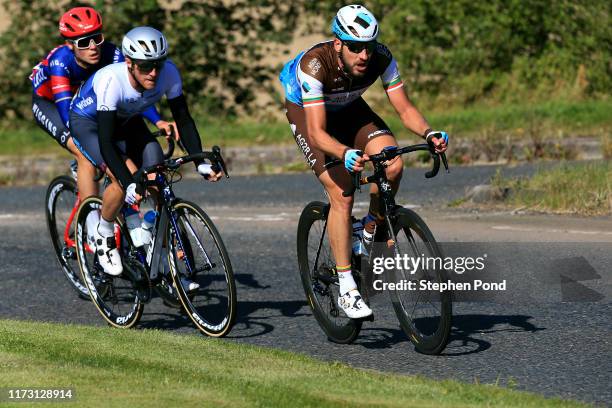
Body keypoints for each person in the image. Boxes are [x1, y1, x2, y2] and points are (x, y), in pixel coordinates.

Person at [279, 5, 448, 319]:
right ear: (339, 43)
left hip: (349, 107)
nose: (364, 55)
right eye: (355, 47)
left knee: (393, 163)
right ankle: (346, 285)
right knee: (342, 192)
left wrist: (428, 132)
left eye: (368, 47)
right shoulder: (315, 66)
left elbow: (404, 108)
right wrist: (344, 153)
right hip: (309, 114)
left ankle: (368, 231)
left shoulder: (381, 57)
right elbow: (316, 133)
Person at [69, 26, 222, 284]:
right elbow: (107, 143)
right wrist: (129, 183)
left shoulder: (168, 73)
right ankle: (103, 231)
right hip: (91, 125)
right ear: (128, 63)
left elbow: (183, 120)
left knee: (156, 168)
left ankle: (164, 263)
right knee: (123, 177)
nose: (153, 73)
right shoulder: (111, 80)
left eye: (157, 65)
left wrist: (199, 161)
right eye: (144, 66)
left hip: (127, 120)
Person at [30, 7, 171, 236]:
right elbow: (69, 118)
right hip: (51, 105)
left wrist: (158, 121)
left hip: (87, 103)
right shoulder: (60, 62)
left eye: (97, 38)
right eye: (84, 42)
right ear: (70, 45)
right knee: (84, 152)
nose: (93, 47)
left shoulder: (113, 54)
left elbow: (132, 94)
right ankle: (93, 226)